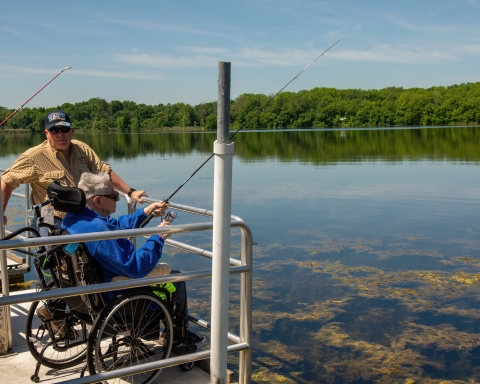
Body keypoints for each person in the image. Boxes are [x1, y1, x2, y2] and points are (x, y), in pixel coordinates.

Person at [61, 172, 203, 344]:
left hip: (85, 298)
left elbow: (114, 227)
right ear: (98, 200)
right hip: (116, 298)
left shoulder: (76, 218)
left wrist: (145, 212)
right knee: (177, 280)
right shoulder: (98, 231)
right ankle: (179, 336)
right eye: (113, 196)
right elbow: (136, 267)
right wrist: (157, 238)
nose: (118, 199)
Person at [1, 110, 146, 225]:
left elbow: (103, 170)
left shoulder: (82, 149)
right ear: (46, 133)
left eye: (64, 129)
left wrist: (130, 192)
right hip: (49, 215)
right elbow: (7, 180)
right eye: (54, 130)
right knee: (50, 257)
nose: (60, 134)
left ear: (72, 131)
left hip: (81, 215)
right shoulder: (34, 156)